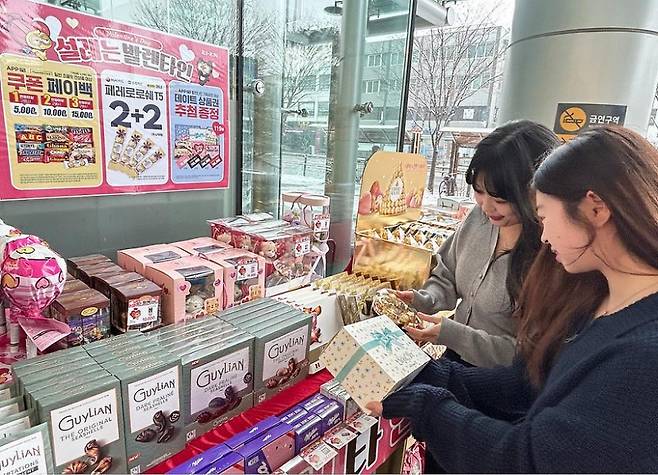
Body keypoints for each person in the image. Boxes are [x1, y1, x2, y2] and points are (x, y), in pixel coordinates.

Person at [368, 125, 658, 472]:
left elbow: (531, 460)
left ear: (595, 209)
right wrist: (438, 375)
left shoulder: (642, 355)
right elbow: (531, 379)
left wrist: (431, 408)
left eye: (545, 216)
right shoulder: (599, 299)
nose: (544, 236)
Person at [397, 120, 560, 368]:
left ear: (537, 192)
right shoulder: (479, 219)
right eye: (479, 191)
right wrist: (425, 300)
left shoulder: (555, 252)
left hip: (500, 380)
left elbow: (531, 354)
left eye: (500, 199)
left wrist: (455, 334)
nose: (486, 206)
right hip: (455, 360)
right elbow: (447, 273)